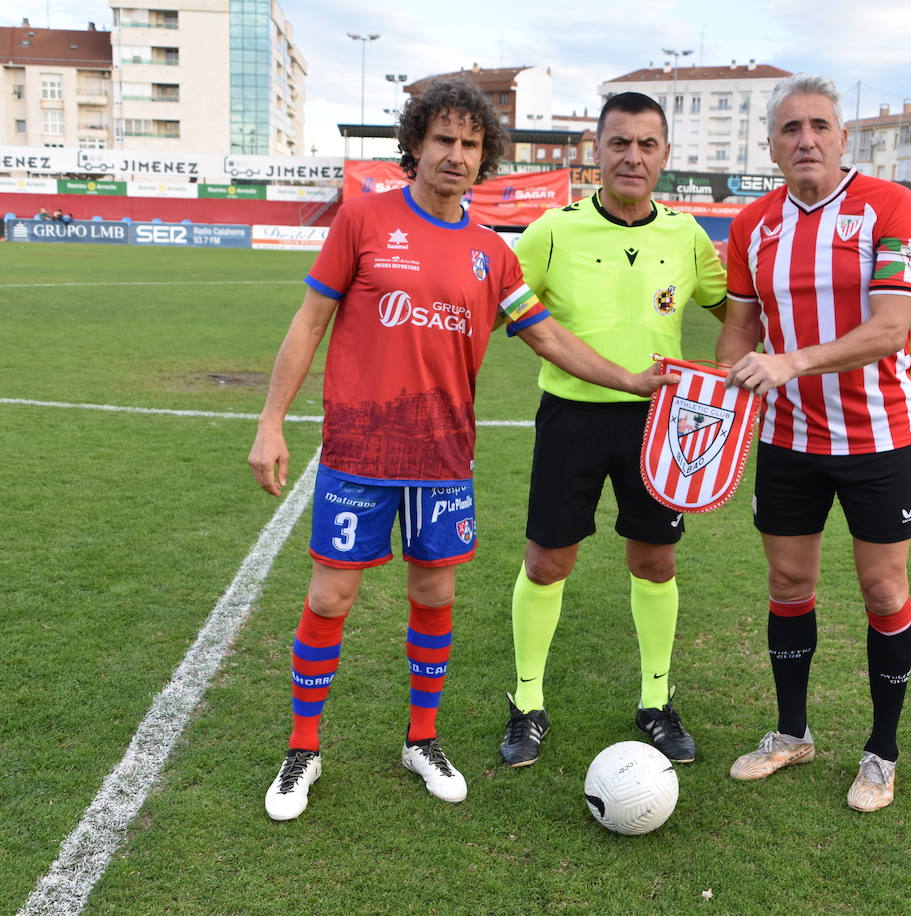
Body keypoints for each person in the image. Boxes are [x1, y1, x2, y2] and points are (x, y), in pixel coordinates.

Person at [248, 78, 674, 821]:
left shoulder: (490, 254)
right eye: (442, 140)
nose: (455, 155)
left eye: (470, 144)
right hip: (359, 451)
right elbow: (309, 321)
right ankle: (303, 750)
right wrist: (270, 423)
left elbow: (546, 337)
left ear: (486, 157)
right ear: (415, 145)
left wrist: (631, 380)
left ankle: (421, 740)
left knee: (434, 594)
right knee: (330, 596)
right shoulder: (363, 220)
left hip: (443, 456)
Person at [497, 92, 727, 769]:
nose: (633, 157)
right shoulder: (550, 232)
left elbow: (736, 307)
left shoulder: (687, 237)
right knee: (547, 560)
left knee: (655, 560)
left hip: (660, 425)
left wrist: (734, 378)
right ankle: (527, 702)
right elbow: (498, 307)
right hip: (570, 418)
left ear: (664, 156)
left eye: (647, 145)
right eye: (619, 143)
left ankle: (656, 701)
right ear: (595, 151)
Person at [717, 74, 911, 812]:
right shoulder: (753, 225)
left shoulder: (888, 206)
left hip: (877, 439)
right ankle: (791, 733)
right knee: (788, 586)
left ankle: (881, 752)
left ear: (843, 138)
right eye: (790, 129)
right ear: (772, 146)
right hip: (787, 440)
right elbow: (741, 328)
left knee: (883, 589)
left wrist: (792, 361)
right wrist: (719, 400)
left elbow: (889, 329)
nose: (806, 139)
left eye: (819, 125)